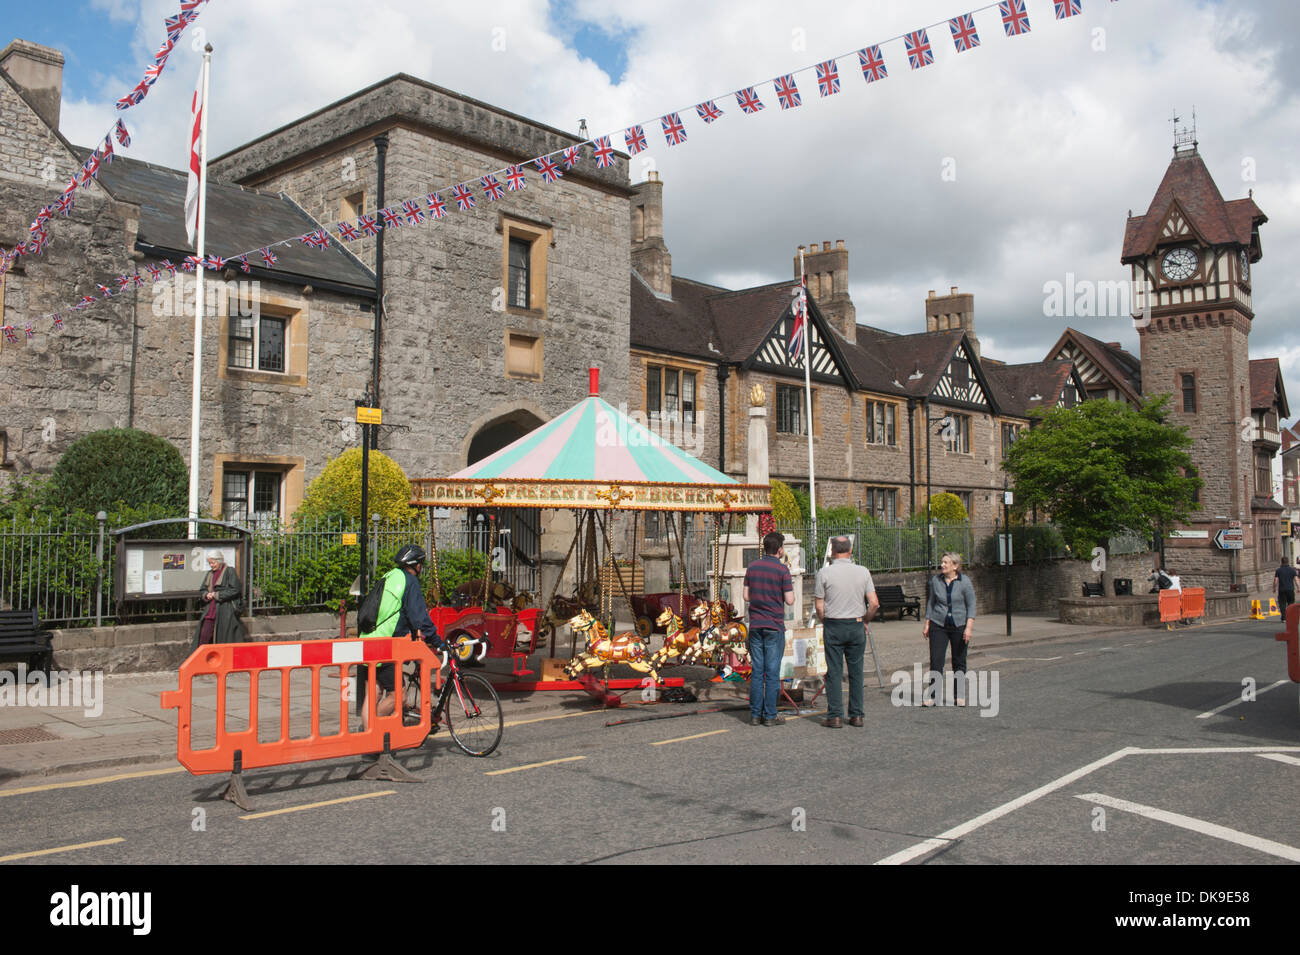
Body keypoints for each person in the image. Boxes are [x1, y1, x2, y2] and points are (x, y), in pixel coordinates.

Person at [360, 544, 441, 724]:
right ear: (416, 565)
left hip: (367, 641)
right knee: (398, 697)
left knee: (373, 694)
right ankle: (372, 730)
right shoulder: (410, 582)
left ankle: (367, 741)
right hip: (386, 646)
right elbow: (419, 618)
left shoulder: (389, 576)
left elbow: (399, 612)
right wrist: (438, 641)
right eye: (421, 564)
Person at [814, 536, 878, 728]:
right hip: (856, 624)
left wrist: (825, 620)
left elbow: (819, 605)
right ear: (850, 551)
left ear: (832, 551)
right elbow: (874, 603)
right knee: (856, 671)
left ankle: (835, 715)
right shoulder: (863, 572)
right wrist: (865, 620)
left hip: (834, 624)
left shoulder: (824, 573)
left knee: (834, 671)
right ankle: (856, 715)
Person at [742, 531, 795, 726]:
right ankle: (770, 715)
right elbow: (790, 600)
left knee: (757, 670)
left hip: (756, 624)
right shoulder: (782, 571)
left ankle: (755, 714)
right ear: (780, 549)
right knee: (772, 671)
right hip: (774, 624)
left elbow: (746, 596)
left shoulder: (752, 567)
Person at [922, 552, 976, 706]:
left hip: (959, 625)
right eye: (942, 562)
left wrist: (969, 628)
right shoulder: (935, 581)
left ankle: (959, 695)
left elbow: (971, 605)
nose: (942, 565)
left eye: (946, 562)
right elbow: (931, 603)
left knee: (959, 661)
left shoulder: (964, 582)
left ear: (955, 565)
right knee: (936, 660)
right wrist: (927, 624)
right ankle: (933, 696)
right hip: (938, 624)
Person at [192, 549, 244, 649]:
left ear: (219, 561)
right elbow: (202, 589)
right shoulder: (209, 574)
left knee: (223, 639)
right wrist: (206, 595)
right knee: (204, 638)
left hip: (225, 611)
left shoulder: (230, 571)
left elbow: (235, 590)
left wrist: (217, 595)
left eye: (213, 562)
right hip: (210, 611)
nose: (211, 565)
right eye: (210, 563)